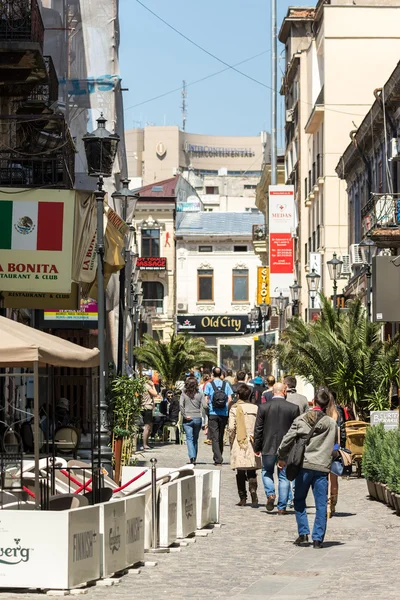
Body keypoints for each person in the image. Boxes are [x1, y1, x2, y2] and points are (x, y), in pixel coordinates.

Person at [277, 387, 338, 548]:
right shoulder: (331, 424)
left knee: (299, 499)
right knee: (321, 504)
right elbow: (335, 445)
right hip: (322, 467)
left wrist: (281, 456)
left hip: (303, 465)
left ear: (314, 401)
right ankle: (318, 539)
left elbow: (287, 440)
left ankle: (303, 533)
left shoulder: (301, 419)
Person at [253, 382, 300, 514]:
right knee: (284, 477)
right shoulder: (293, 408)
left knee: (266, 471)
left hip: (267, 446)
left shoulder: (263, 407)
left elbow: (258, 429)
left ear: (273, 392)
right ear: (284, 391)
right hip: (287, 448)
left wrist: (257, 447)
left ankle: (270, 494)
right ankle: (281, 507)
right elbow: (297, 430)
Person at [229, 384, 261, 507]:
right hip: (253, 440)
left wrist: (232, 441)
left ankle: (243, 498)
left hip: (239, 439)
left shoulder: (234, 408)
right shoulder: (255, 408)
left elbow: (231, 428)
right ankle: (253, 491)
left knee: (240, 470)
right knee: (252, 469)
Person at [205, 367, 233, 465]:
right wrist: (227, 409)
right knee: (220, 436)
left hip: (213, 413)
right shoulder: (226, 384)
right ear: (221, 374)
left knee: (215, 437)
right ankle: (218, 455)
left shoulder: (209, 384)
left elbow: (206, 399)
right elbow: (230, 399)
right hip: (224, 413)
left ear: (212, 374)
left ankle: (218, 458)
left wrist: (207, 410)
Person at [326, 390, 346, 517]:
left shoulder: (322, 412)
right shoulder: (338, 412)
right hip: (335, 447)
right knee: (334, 478)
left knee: (323, 478)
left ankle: (325, 504)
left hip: (323, 448)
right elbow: (343, 430)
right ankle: (332, 504)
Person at [180, 377, 205, 465]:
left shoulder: (184, 393)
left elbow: (181, 405)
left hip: (188, 418)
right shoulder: (200, 394)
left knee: (189, 438)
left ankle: (192, 457)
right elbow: (204, 406)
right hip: (197, 417)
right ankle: (194, 456)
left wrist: (185, 415)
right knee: (195, 439)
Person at [141, 375, 158, 450]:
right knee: (147, 427)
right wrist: (153, 385)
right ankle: (145, 444)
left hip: (144, 407)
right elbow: (155, 394)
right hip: (147, 407)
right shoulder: (147, 386)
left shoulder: (141, 386)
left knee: (149, 426)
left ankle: (146, 443)